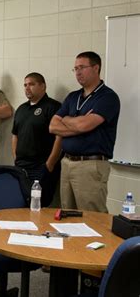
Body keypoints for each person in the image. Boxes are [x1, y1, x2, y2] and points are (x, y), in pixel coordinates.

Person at [49, 51, 120, 213]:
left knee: (92, 218)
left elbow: (84, 126)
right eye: (75, 69)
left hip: (90, 165)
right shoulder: (73, 97)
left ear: (96, 68)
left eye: (82, 67)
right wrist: (77, 123)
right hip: (67, 163)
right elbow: (52, 126)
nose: (78, 72)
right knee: (67, 215)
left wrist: (66, 119)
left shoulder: (108, 97)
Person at [12, 72, 62, 207]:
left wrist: (50, 164)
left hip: (41, 166)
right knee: (20, 204)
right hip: (22, 166)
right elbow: (15, 135)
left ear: (43, 86)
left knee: (39, 205)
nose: (27, 88)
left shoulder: (53, 107)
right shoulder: (21, 109)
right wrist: (16, 157)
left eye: (32, 84)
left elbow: (60, 137)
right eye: (25, 85)